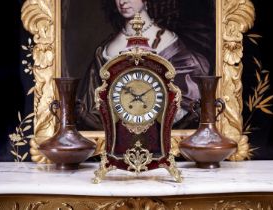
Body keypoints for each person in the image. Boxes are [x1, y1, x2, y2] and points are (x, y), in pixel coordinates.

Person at [76, 0, 210, 130]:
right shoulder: (106, 49)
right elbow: (93, 105)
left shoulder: (167, 42)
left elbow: (187, 100)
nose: (123, 2)